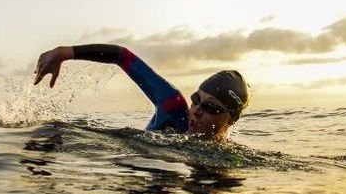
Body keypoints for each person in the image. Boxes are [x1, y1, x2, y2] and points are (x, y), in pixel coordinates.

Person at [34, 44, 249, 142]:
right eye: (196, 100)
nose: (197, 111)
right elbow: (124, 56)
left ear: (230, 120)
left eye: (210, 107)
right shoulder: (173, 108)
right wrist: (66, 53)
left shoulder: (230, 157)